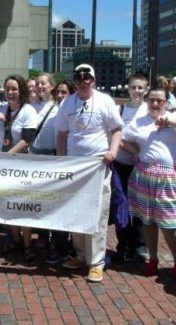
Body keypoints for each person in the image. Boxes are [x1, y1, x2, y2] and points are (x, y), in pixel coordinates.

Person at [55, 64, 123, 282]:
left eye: (87, 77)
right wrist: (61, 161)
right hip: (75, 167)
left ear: (93, 80)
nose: (83, 81)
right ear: (74, 80)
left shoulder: (105, 101)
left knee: (97, 213)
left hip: (98, 165)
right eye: (78, 77)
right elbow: (62, 135)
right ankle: (81, 255)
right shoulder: (67, 103)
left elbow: (117, 130)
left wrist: (113, 151)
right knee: (76, 212)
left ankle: (96, 262)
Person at [123, 87, 176, 279]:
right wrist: (135, 152)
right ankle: (153, 259)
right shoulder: (139, 122)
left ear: (166, 103)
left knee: (169, 224)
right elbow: (122, 137)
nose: (155, 104)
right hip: (144, 174)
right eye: (152, 100)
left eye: (160, 101)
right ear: (147, 101)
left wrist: (169, 119)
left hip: (169, 178)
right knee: (147, 221)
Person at [0, 74, 38, 262]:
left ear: (21, 91)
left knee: (23, 205)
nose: (10, 92)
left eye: (14, 89)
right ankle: (15, 239)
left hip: (20, 163)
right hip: (4, 164)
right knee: (8, 204)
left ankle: (28, 244)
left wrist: (7, 155)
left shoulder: (28, 111)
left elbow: (27, 139)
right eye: (8, 89)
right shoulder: (2, 108)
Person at [110, 74, 149, 264]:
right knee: (121, 204)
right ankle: (123, 246)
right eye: (134, 87)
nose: (137, 91)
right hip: (120, 164)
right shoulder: (120, 109)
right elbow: (116, 136)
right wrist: (132, 150)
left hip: (140, 166)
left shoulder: (149, 110)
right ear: (129, 89)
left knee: (140, 206)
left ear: (146, 90)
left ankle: (140, 247)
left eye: (140, 88)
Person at [29, 73, 65, 263]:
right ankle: (42, 236)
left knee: (56, 201)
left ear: (51, 86)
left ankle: (57, 241)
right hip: (35, 158)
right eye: (37, 84)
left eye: (43, 83)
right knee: (39, 200)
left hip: (54, 158)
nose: (40, 86)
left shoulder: (60, 108)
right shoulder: (30, 107)